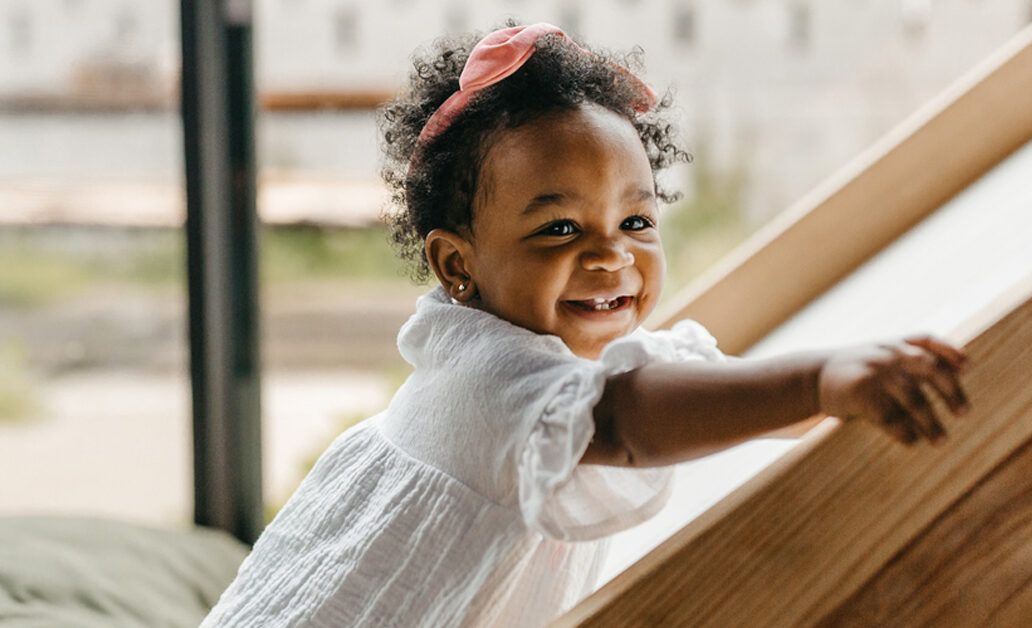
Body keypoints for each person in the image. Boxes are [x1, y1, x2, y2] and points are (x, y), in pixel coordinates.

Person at [201, 21, 970, 627]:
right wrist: (817, 381)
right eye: (559, 230)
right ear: (457, 265)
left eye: (636, 219)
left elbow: (687, 388)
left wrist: (813, 405)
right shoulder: (488, 381)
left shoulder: (536, 359)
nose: (612, 258)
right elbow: (629, 419)